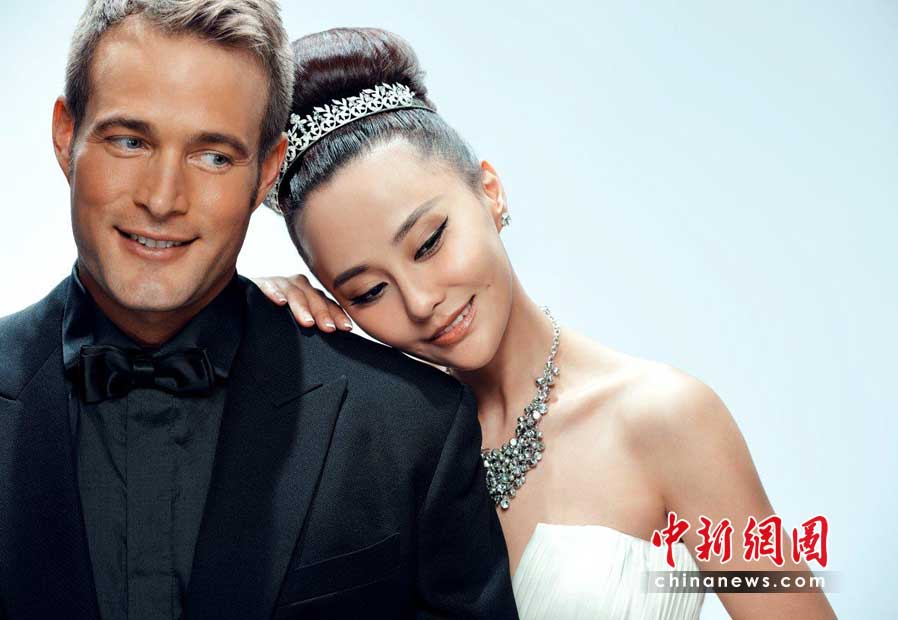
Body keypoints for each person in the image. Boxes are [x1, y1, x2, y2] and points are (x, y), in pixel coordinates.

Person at [253, 27, 837, 620]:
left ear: (490, 192)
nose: (421, 301)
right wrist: (260, 327)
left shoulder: (667, 420)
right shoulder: (382, 450)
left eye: (429, 243)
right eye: (369, 291)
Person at [0, 3, 518, 619]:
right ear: (66, 136)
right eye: (130, 141)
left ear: (265, 172)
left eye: (214, 156)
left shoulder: (410, 425)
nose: (162, 199)